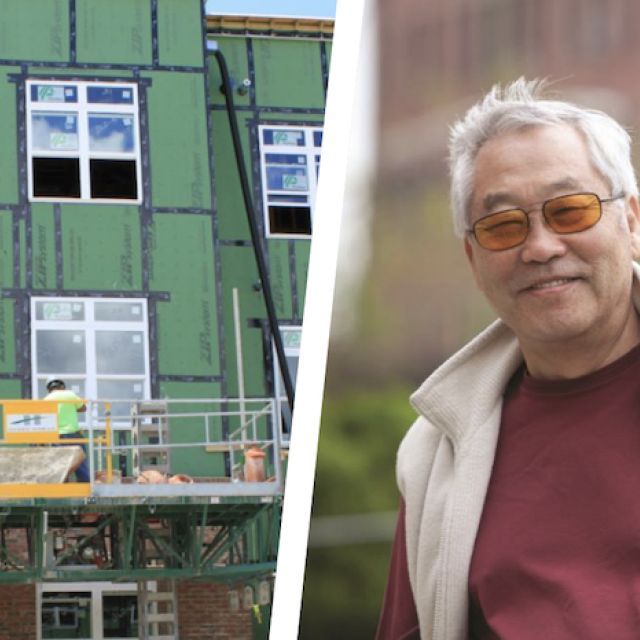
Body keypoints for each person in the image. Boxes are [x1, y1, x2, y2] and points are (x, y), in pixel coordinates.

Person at [376, 78, 640, 640]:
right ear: (473, 259)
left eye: (569, 211)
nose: (541, 247)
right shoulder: (437, 453)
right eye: (503, 226)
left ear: (631, 221)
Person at [45, 377, 90, 483]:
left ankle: (63, 490)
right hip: (74, 435)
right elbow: (83, 408)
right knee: (80, 463)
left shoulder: (47, 399)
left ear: (49, 388)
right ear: (62, 386)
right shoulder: (70, 395)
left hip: (57, 437)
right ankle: (88, 494)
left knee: (61, 465)